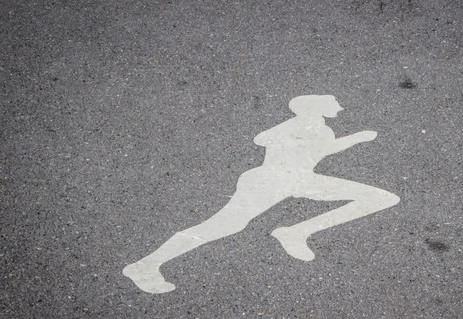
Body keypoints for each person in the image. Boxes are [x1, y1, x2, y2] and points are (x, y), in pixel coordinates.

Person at [123, 95, 399, 293]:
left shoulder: (322, 129)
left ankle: (296, 232)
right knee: (225, 225)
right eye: (333, 103)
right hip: (271, 179)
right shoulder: (296, 124)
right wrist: (294, 137)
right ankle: (146, 265)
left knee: (381, 198)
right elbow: (262, 139)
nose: (339, 106)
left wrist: (357, 138)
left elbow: (321, 150)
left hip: (301, 179)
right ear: (318, 107)